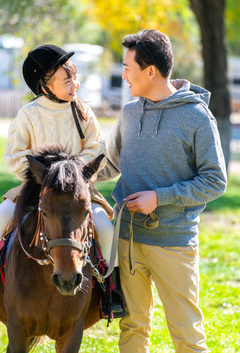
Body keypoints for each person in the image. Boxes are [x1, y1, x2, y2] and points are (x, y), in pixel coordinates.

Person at [97, 29, 227, 352]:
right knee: (133, 327)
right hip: (127, 239)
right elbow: (110, 164)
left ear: (150, 71)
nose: (124, 74)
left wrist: (159, 198)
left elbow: (215, 180)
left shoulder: (196, 117)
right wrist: (67, 174)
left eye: (128, 67)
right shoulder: (129, 113)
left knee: (186, 334)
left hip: (174, 242)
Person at [0, 44, 125, 318]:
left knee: (105, 227)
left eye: (75, 77)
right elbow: (14, 156)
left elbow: (97, 148)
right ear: (45, 85)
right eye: (66, 80)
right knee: (2, 216)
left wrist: (71, 171)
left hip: (78, 190)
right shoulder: (28, 115)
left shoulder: (82, 111)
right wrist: (45, 174)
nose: (74, 84)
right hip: (35, 190)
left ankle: (110, 291)